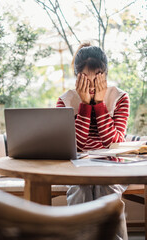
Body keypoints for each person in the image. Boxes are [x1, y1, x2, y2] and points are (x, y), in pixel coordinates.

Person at [56, 43, 130, 240]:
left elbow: (113, 142)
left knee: (108, 191)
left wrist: (99, 103)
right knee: (80, 190)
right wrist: (84, 105)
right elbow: (76, 145)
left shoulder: (120, 98)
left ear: (104, 75)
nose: (90, 86)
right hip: (77, 167)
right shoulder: (65, 101)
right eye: (84, 79)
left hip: (112, 166)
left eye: (96, 78)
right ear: (76, 77)